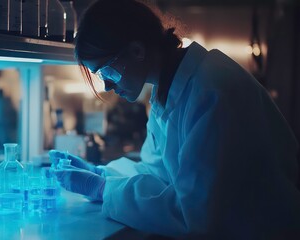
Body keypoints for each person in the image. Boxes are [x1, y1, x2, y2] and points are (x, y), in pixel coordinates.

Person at [49, 0, 300, 239]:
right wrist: (102, 174)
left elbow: (194, 214)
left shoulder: (212, 92)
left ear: (137, 50)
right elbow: (156, 172)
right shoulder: (166, 91)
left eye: (106, 72)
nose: (107, 86)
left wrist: (102, 189)